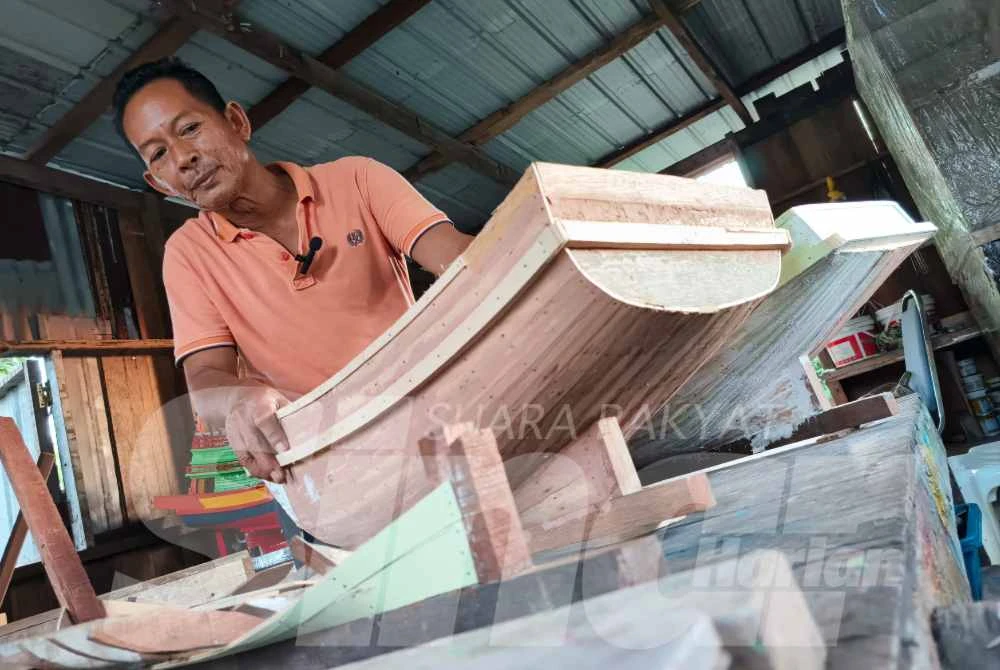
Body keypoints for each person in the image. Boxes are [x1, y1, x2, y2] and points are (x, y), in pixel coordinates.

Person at [113, 58, 472, 489]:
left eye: (190, 129)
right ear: (159, 183)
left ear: (235, 121)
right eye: (158, 154)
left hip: (432, 418)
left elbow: (462, 260)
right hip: (328, 464)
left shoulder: (357, 180)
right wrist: (238, 400)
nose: (184, 158)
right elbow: (205, 378)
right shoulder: (188, 254)